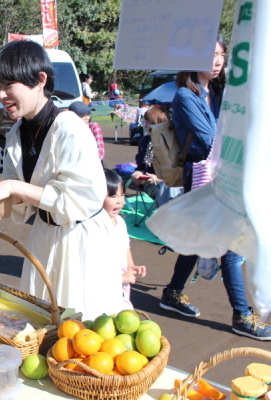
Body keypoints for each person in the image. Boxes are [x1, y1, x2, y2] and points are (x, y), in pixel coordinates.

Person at [0, 40, 122, 320]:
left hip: (81, 239)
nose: (1, 94)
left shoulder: (71, 129)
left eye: (9, 84)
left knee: (83, 328)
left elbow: (76, 200)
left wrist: (14, 187)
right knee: (44, 318)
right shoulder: (15, 133)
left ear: (40, 80)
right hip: (44, 234)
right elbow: (22, 196)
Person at [159, 38, 271, 340]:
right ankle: (242, 315)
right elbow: (212, 139)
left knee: (199, 239)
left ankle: (172, 293)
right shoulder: (185, 95)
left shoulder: (221, 91)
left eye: (221, 55)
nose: (217, 61)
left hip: (225, 170)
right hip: (205, 174)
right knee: (231, 245)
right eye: (210, 55)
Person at [103, 169, 146, 309]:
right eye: (112, 196)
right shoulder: (97, 228)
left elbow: (125, 247)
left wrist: (131, 267)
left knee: (123, 311)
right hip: (108, 284)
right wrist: (120, 279)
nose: (119, 201)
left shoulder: (120, 223)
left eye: (122, 195)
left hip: (123, 282)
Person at [130, 106, 183, 206]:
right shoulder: (145, 141)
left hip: (171, 183)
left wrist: (158, 178)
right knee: (168, 188)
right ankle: (167, 217)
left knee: (170, 187)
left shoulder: (174, 141)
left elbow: (178, 173)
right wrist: (136, 174)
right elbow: (141, 166)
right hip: (150, 183)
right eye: (144, 122)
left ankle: (167, 216)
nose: (145, 126)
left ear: (159, 124)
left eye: (148, 123)